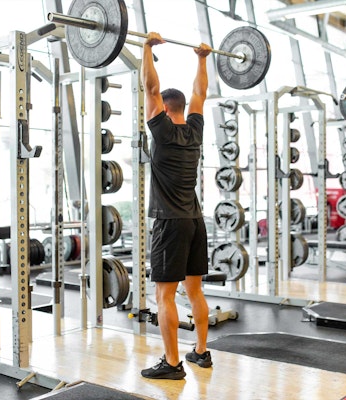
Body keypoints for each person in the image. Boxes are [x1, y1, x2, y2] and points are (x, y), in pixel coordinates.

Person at [139, 32, 213, 380]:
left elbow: (149, 90)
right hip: (197, 221)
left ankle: (171, 363)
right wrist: (202, 58)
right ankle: (201, 352)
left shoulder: (164, 132)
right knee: (194, 290)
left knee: (164, 295)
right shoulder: (195, 129)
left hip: (171, 223)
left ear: (165, 110)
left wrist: (147, 49)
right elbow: (201, 92)